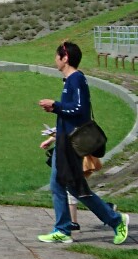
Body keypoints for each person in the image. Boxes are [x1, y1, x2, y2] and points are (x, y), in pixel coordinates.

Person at [37, 40, 129, 246]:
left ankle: (115, 220)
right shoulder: (70, 80)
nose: (55, 60)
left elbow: (79, 110)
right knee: (59, 185)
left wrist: (56, 105)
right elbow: (70, 111)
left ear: (65, 58)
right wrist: (55, 119)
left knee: (75, 188)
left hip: (71, 146)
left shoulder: (76, 79)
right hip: (64, 142)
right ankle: (63, 229)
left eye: (57, 56)